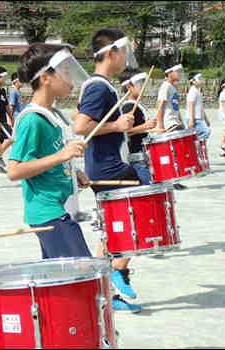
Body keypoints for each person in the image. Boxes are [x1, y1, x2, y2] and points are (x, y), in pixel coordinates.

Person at [72, 28, 141, 313]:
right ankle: (116, 270)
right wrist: (117, 126)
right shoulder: (99, 86)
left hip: (108, 163)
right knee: (136, 216)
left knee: (113, 228)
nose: (126, 58)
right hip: (108, 166)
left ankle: (106, 289)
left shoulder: (99, 85)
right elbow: (80, 126)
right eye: (124, 52)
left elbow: (78, 116)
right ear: (111, 53)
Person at [8, 43, 92, 260]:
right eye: (64, 72)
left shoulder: (52, 114)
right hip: (47, 212)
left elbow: (51, 159)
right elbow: (14, 171)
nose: (71, 79)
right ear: (45, 78)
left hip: (59, 208)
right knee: (82, 272)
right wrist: (62, 155)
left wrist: (73, 172)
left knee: (63, 282)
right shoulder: (31, 120)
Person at [119, 68, 159, 185]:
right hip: (137, 159)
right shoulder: (129, 107)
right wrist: (145, 126)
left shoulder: (137, 105)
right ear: (129, 87)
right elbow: (125, 132)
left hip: (144, 156)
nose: (143, 86)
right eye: (139, 83)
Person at [155, 64, 189, 190]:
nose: (180, 74)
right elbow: (160, 105)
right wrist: (160, 124)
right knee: (173, 152)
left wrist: (181, 121)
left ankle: (176, 179)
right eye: (177, 71)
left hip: (176, 122)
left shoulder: (172, 87)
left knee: (179, 152)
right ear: (169, 73)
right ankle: (172, 180)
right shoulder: (165, 87)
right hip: (169, 124)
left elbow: (175, 107)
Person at [185, 72, 211, 141]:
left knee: (202, 133)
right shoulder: (193, 91)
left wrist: (206, 119)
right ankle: (194, 144)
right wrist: (191, 120)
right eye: (199, 78)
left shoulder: (197, 91)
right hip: (194, 118)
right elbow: (191, 105)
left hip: (199, 118)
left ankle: (195, 145)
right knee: (206, 132)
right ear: (193, 81)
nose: (201, 80)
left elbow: (201, 107)